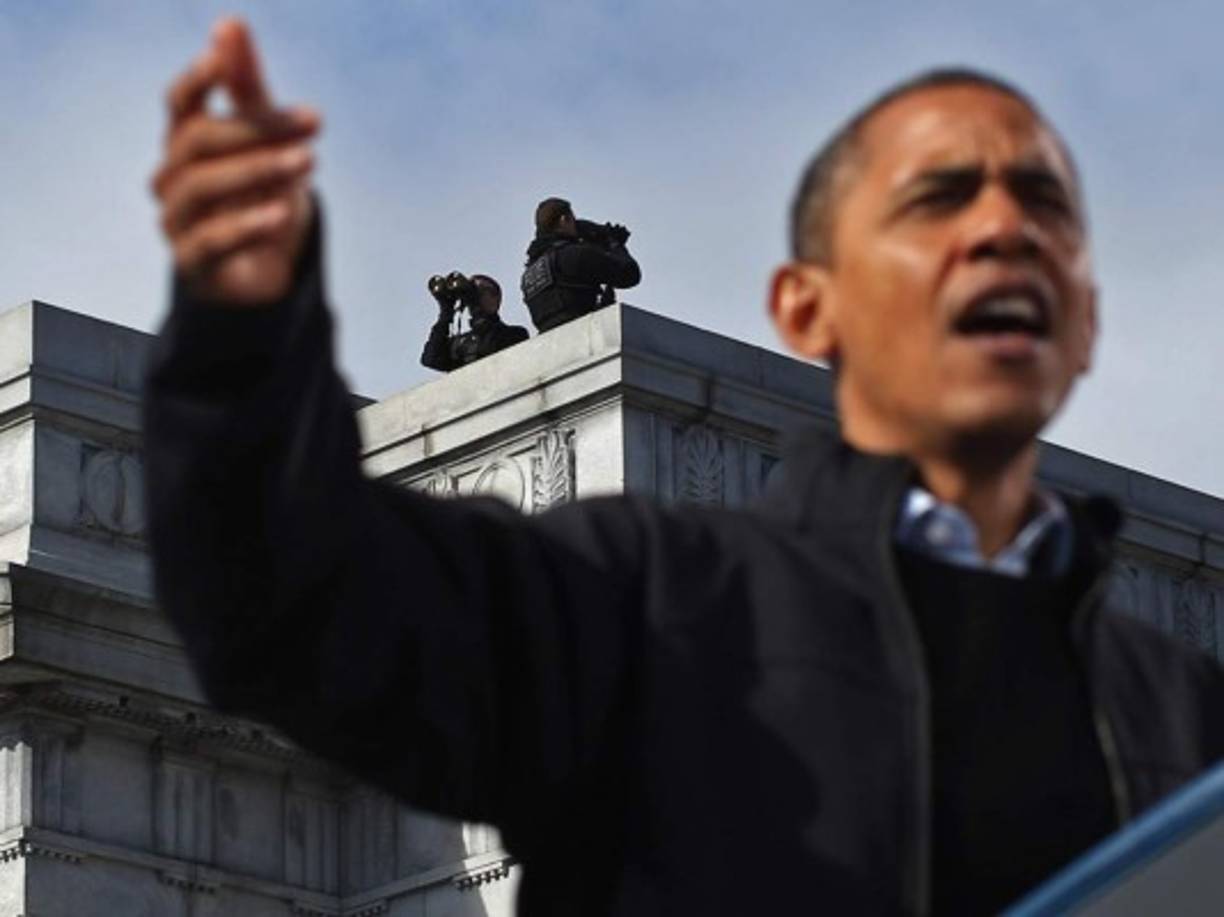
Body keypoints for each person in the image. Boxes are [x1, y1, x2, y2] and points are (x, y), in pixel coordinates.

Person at [145, 18, 1224, 917]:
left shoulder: (1185, 715)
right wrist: (243, 341)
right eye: (934, 208)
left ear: (1082, 316)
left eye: (1041, 214)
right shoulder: (638, 600)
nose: (998, 239)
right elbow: (297, 604)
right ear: (809, 304)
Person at [520, 196, 641, 331]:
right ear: (564, 220)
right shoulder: (575, 255)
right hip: (586, 335)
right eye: (573, 220)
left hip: (550, 343)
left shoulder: (528, 275)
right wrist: (614, 243)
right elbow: (630, 274)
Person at [420, 272, 528, 372]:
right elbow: (430, 359)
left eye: (482, 290)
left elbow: (493, 347)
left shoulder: (514, 334)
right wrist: (445, 313)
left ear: (495, 298)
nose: (475, 296)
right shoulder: (461, 343)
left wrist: (483, 317)